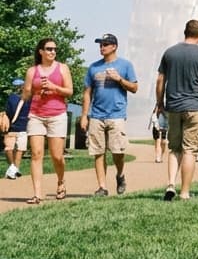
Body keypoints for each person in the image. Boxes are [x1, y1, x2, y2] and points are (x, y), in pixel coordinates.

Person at [156, 20, 198, 201]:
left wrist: (159, 102)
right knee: (189, 150)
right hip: (194, 107)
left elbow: (160, 81)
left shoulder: (170, 53)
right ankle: (185, 192)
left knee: (174, 148)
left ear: (184, 32)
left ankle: (171, 183)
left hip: (174, 107)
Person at [81, 33, 140, 197]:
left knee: (117, 152)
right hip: (96, 115)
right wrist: (85, 115)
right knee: (98, 152)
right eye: (100, 44)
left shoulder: (125, 65)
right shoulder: (93, 67)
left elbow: (135, 88)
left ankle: (120, 175)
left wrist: (119, 79)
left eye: (105, 44)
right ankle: (102, 187)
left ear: (114, 46)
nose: (102, 47)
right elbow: (87, 93)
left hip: (117, 114)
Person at [17, 38, 74, 204]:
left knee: (57, 156)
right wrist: (35, 90)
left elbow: (69, 91)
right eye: (49, 49)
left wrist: (53, 87)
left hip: (57, 115)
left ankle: (61, 182)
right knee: (36, 154)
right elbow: (26, 95)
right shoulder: (31, 71)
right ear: (41, 51)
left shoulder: (62, 68)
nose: (52, 52)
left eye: (55, 49)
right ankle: (37, 194)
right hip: (36, 115)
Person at [5, 79, 31, 179]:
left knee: (20, 149)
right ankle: (13, 168)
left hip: (23, 127)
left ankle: (14, 169)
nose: (18, 88)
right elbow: (8, 112)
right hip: (12, 127)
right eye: (16, 86)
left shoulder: (28, 98)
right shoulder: (11, 97)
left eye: (19, 85)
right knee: (9, 149)